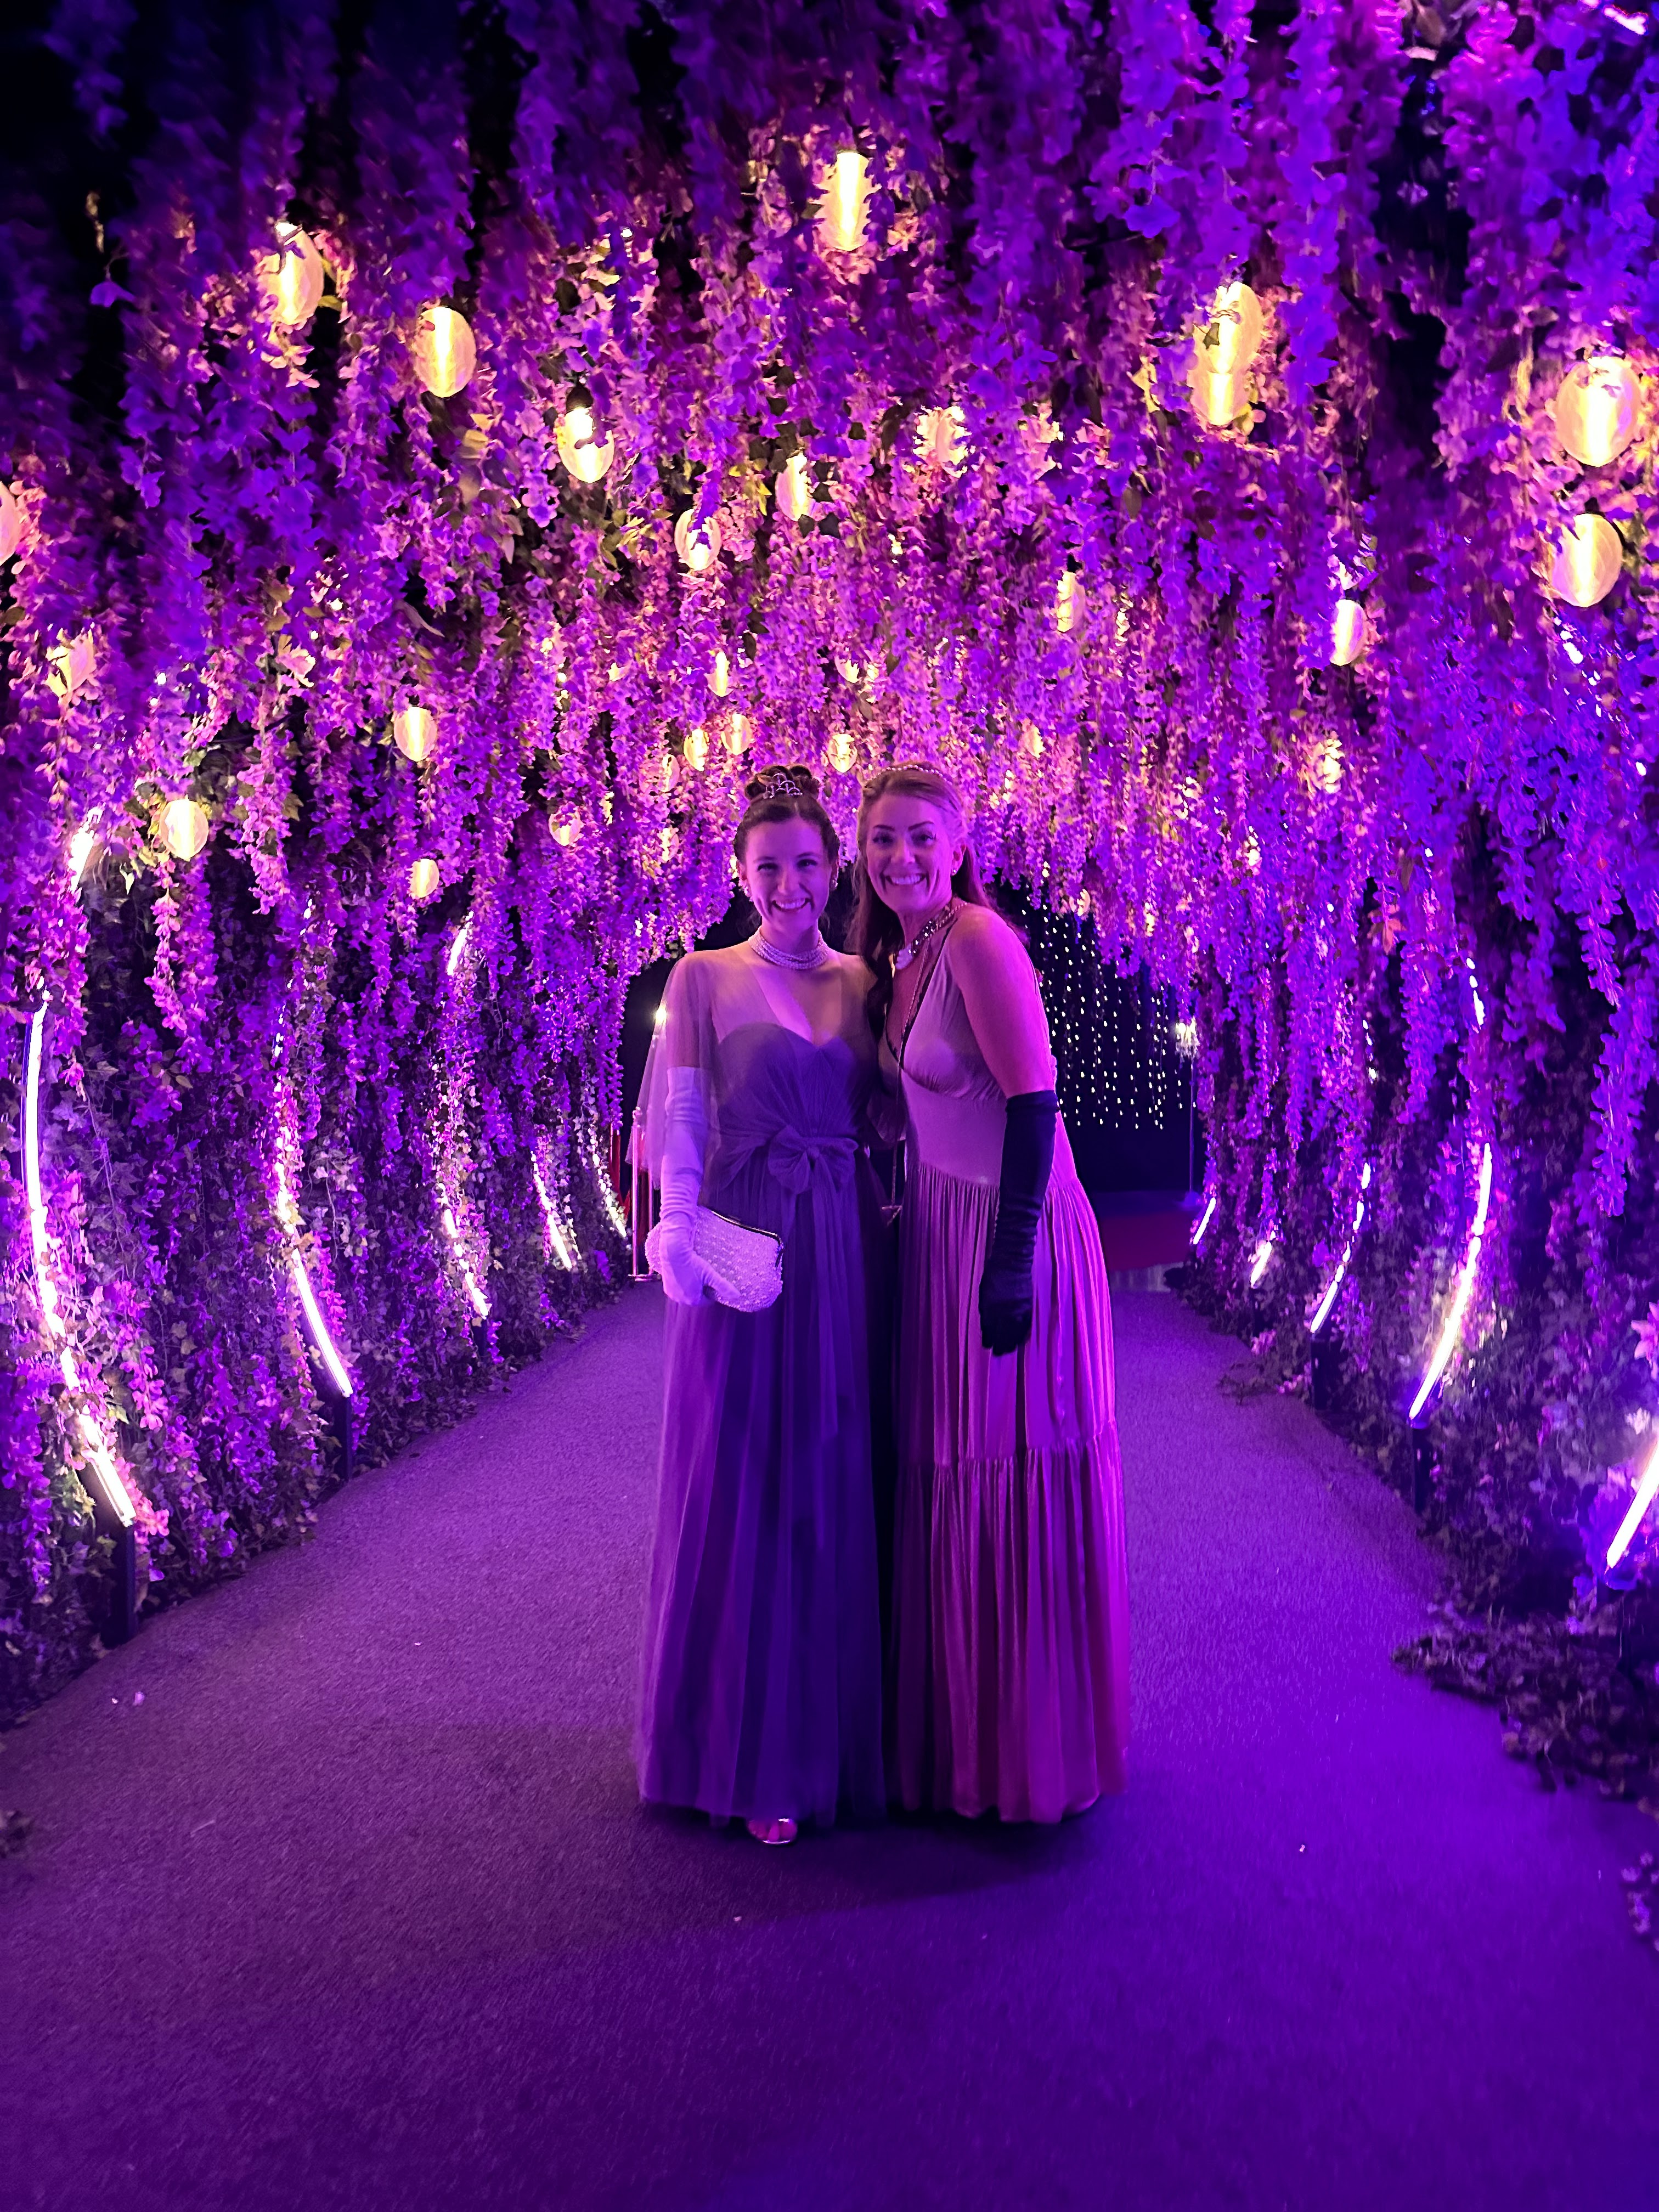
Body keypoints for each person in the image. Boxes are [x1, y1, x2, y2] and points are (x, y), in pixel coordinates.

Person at [856, 763, 1129, 1822]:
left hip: (1011, 1231)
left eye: (921, 837)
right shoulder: (904, 955)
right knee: (951, 1465)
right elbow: (910, 1106)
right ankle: (959, 1747)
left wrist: (1012, 1256)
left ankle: (1028, 1757)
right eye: (883, 839)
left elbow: (1033, 1102)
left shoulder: (977, 939)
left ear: (958, 848)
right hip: (940, 1229)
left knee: (1009, 1468)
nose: (902, 858)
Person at [635, 765, 888, 1844]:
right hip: (745, 1239)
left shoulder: (868, 980)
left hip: (842, 1240)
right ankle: (746, 1752)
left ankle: (827, 1740)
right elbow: (685, 1118)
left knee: (831, 1468)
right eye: (769, 865)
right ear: (740, 872)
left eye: (808, 864)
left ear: (834, 870)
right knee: (742, 1472)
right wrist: (677, 1229)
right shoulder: (703, 976)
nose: (790, 885)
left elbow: (903, 1111)